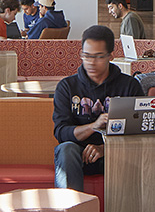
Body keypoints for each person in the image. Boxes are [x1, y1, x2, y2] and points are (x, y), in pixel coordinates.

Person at [52, 24, 146, 190]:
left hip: (118, 155)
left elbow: (139, 134)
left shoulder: (129, 86)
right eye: (86, 56)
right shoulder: (67, 86)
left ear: (111, 56)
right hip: (78, 155)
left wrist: (106, 149)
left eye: (98, 57)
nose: (91, 63)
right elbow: (61, 132)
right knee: (66, 149)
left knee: (141, 153)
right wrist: (93, 127)